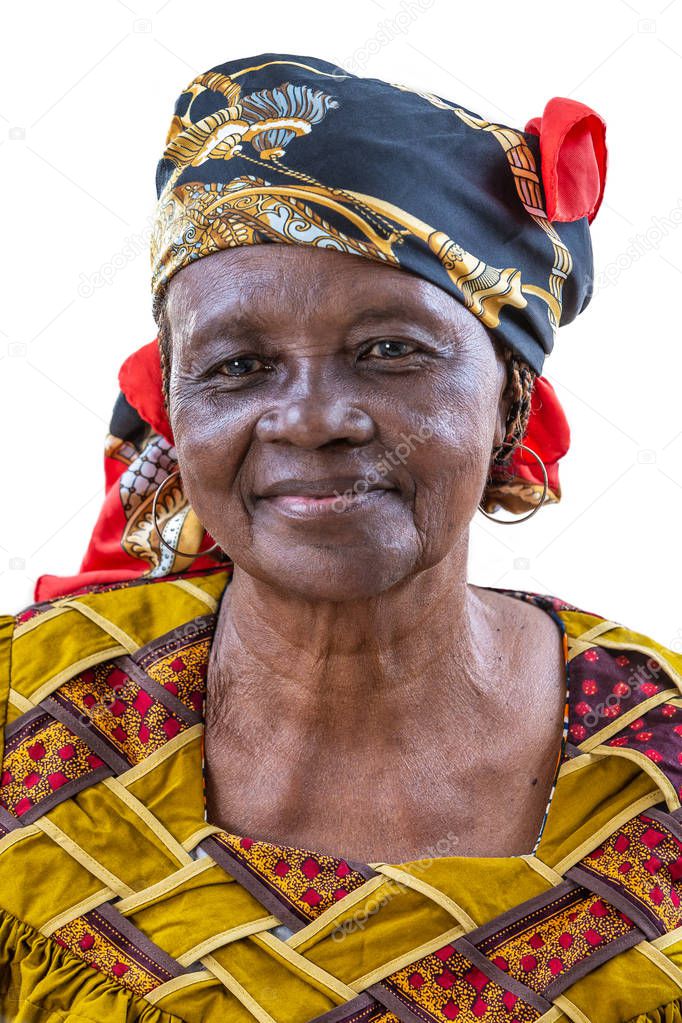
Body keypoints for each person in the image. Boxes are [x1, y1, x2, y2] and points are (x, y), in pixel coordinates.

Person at [0, 50, 679, 1023]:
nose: (312, 418)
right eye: (237, 366)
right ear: (176, 415)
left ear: (508, 401)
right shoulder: (25, 726)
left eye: (390, 351)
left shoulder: (658, 764)